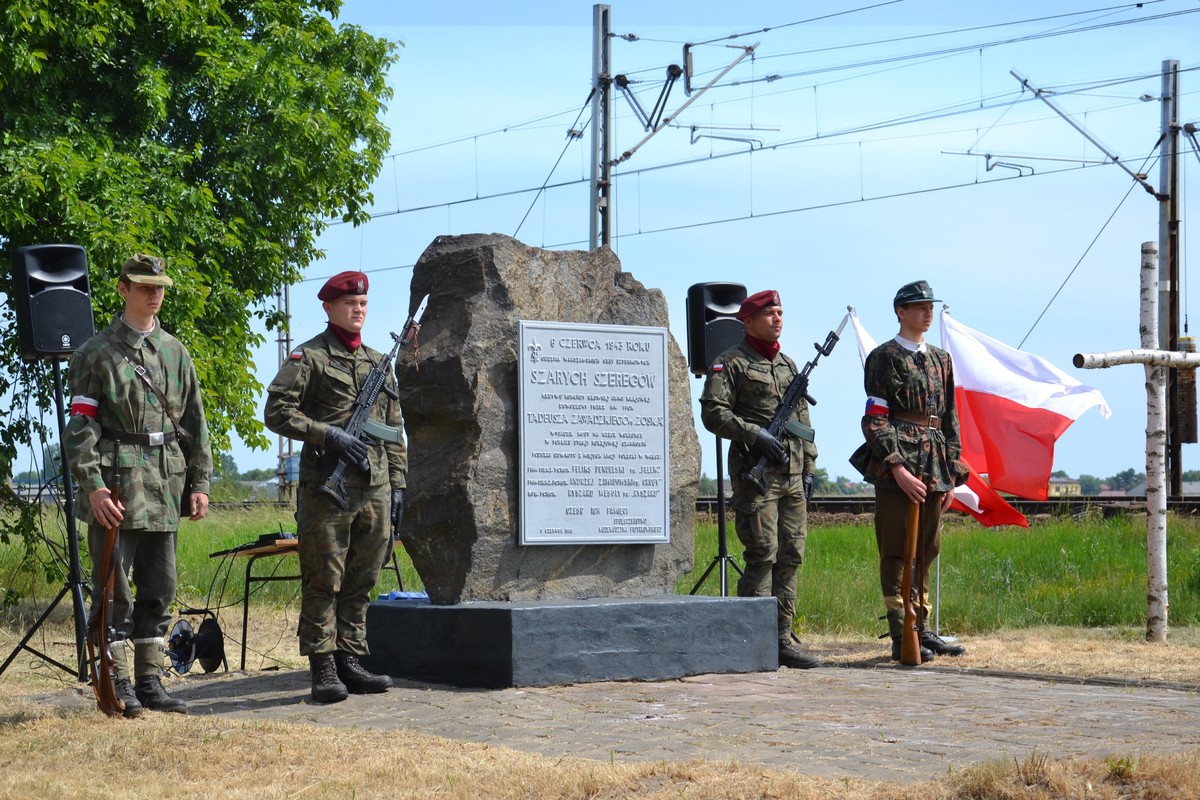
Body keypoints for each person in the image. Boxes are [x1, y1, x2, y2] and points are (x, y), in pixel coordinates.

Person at [65, 253, 213, 717]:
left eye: (160, 286)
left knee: (160, 586)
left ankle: (150, 681)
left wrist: (199, 481)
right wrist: (92, 486)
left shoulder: (175, 351)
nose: (155, 294)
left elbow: (194, 423)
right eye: (144, 285)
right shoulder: (96, 353)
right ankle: (118, 682)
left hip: (165, 483)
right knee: (115, 590)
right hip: (117, 486)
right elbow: (81, 428)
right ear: (123, 288)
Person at [264, 271, 406, 704]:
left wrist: (398, 483)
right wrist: (329, 435)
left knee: (363, 578)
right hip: (328, 490)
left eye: (362, 303)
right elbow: (276, 412)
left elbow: (393, 429)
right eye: (349, 304)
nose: (357, 309)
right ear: (328, 307)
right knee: (324, 578)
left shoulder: (379, 362)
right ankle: (323, 666)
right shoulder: (308, 358)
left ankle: (351, 660)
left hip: (375, 486)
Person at [699, 289, 820, 670]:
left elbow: (803, 424)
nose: (778, 318)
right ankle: (752, 641)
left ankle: (782, 640)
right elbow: (712, 413)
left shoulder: (789, 366)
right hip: (758, 479)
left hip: (793, 476)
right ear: (747, 321)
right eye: (769, 313)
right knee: (762, 555)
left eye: (781, 312)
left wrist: (811, 467)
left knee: (790, 557)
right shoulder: (730, 363)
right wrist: (755, 434)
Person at [850, 280, 969, 662]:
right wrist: (896, 467)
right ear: (900, 311)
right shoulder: (884, 357)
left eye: (930, 306)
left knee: (926, 550)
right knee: (897, 550)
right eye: (919, 307)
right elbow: (874, 418)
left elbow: (950, 418)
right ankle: (902, 631)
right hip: (899, 460)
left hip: (934, 462)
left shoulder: (940, 359)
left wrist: (952, 473)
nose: (927, 313)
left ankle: (922, 627)